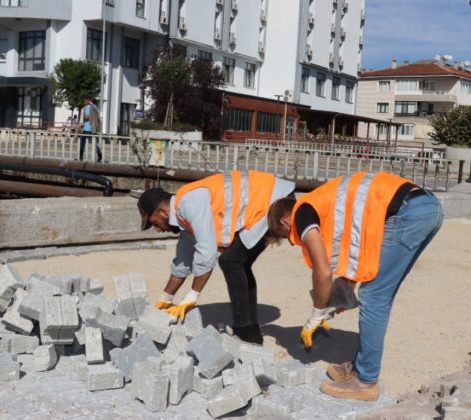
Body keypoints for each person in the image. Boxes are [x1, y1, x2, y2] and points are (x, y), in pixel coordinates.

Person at [267, 171, 443, 400]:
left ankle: (366, 381)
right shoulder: (324, 205)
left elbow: (323, 271)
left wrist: (317, 312)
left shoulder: (303, 213)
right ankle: (360, 367)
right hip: (424, 207)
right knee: (380, 292)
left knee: (374, 296)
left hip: (408, 212)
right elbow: (359, 248)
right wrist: (343, 293)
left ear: (284, 221)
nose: (294, 241)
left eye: (288, 236)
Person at [137, 170, 295, 344]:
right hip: (267, 200)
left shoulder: (189, 203)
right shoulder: (184, 220)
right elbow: (182, 262)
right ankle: (251, 331)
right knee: (238, 262)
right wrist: (166, 298)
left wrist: (192, 296)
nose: (157, 229)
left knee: (231, 261)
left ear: (163, 212)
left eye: (153, 223)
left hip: (274, 201)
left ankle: (245, 331)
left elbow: (207, 252)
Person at [79, 97, 102, 162]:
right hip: (91, 129)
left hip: (87, 129)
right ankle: (99, 155)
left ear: (87, 101)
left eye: (85, 101)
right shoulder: (94, 107)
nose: (84, 102)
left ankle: (80, 156)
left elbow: (86, 117)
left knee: (82, 143)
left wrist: (85, 117)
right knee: (94, 143)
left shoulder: (87, 108)